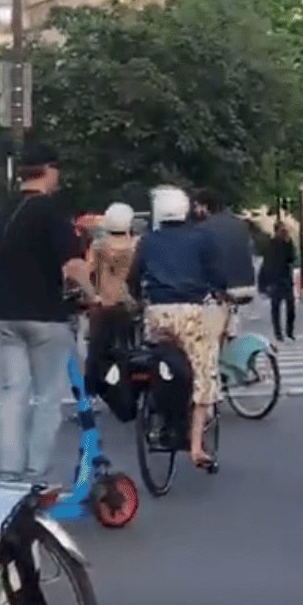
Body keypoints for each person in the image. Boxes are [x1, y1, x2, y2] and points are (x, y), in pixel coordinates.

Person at [0, 143, 99, 479]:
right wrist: (94, 297)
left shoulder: (7, 209)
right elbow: (73, 266)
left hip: (6, 312)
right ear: (50, 171)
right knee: (48, 396)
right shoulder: (51, 212)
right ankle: (35, 469)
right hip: (44, 313)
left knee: (14, 391)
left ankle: (9, 469)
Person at [128, 186, 226, 469]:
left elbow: (134, 278)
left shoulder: (147, 241)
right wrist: (218, 291)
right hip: (191, 313)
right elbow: (217, 276)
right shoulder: (202, 238)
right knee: (202, 372)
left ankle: (159, 414)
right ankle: (196, 447)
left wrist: (138, 300)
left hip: (158, 314)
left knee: (161, 363)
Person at [85, 202, 139, 397]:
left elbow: (88, 270)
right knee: (129, 348)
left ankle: (90, 396)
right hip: (129, 304)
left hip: (102, 304)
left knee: (96, 352)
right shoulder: (135, 245)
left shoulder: (98, 246)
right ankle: (128, 391)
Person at [192, 188, 256, 341]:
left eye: (196, 206)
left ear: (205, 206)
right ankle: (231, 337)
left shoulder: (202, 229)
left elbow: (201, 263)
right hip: (247, 286)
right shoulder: (239, 223)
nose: (195, 210)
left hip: (223, 289)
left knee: (208, 335)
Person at [262, 222, 297, 342]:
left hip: (286, 279)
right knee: (276, 307)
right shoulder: (270, 244)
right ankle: (278, 333)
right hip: (275, 280)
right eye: (282, 231)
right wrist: (266, 282)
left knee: (291, 306)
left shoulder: (288, 243)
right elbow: (266, 264)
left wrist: (289, 242)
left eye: (285, 231)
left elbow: (292, 258)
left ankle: (289, 331)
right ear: (276, 231)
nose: (284, 233)